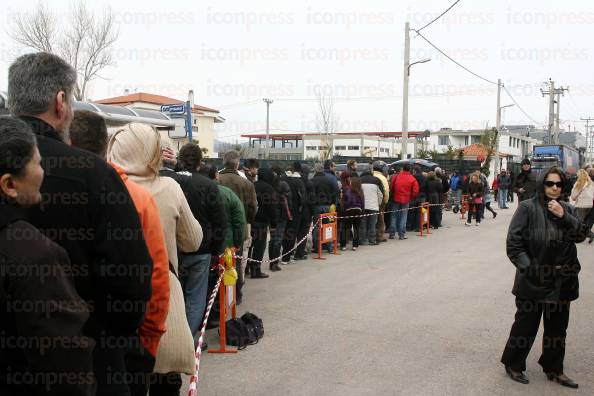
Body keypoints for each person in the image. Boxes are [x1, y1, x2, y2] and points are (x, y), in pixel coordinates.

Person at [9, 52, 153, 396]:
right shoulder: (93, 174)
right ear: (61, 102)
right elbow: (131, 277)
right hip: (88, 359)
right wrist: (108, 338)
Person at [70, 111, 170, 396]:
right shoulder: (136, 196)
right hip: (121, 338)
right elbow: (156, 276)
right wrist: (149, 340)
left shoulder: (45, 186)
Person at [0, 117, 95, 396]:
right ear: (9, 184)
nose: (44, 171)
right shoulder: (33, 255)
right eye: (38, 163)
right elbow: (64, 364)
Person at [107, 123, 202, 395]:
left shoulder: (101, 187)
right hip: (163, 297)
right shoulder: (169, 187)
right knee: (166, 379)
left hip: (115, 302)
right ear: (153, 152)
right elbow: (193, 239)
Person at [501, 166, 587, 388]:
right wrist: (530, 269)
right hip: (534, 280)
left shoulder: (567, 207)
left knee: (557, 329)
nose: (554, 188)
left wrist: (564, 215)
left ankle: (554, 368)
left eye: (558, 184)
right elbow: (514, 243)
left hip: (562, 281)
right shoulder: (528, 208)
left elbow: (580, 235)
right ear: (542, 184)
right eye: (550, 183)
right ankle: (513, 363)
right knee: (525, 326)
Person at [173, 144, 226, 343]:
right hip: (200, 250)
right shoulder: (208, 185)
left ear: (179, 158)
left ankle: (173, 339)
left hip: (172, 249)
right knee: (195, 298)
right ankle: (188, 340)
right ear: (199, 162)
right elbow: (219, 221)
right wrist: (216, 249)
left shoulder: (168, 181)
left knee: (174, 297)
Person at [199, 163, 245, 330]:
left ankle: (201, 317)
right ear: (216, 176)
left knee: (201, 283)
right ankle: (217, 314)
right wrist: (237, 243)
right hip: (225, 246)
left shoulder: (192, 191)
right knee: (223, 280)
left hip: (198, 246)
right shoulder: (227, 194)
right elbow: (239, 221)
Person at [219, 150, 257, 305]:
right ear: (237, 163)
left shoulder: (217, 179)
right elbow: (253, 207)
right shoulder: (246, 183)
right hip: (239, 226)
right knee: (237, 258)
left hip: (217, 226)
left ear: (223, 162)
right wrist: (248, 220)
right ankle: (237, 293)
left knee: (218, 261)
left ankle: (218, 295)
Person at [250, 168, 279, 278]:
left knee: (250, 245)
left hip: (251, 220)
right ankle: (255, 270)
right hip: (262, 222)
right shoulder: (269, 189)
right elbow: (272, 208)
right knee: (259, 246)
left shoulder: (252, 185)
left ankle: (247, 268)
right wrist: (273, 224)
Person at [281, 162, 306, 263]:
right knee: (292, 234)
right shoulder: (299, 182)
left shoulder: (283, 179)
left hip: (283, 211)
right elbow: (303, 199)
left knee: (284, 233)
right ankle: (286, 257)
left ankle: (284, 255)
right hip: (295, 212)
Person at [311, 163, 339, 252]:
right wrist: (333, 202)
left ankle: (317, 247)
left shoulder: (313, 180)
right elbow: (336, 191)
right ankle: (329, 247)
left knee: (317, 227)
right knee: (328, 226)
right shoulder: (329, 180)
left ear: (316, 170)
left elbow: (311, 195)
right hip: (328, 206)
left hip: (317, 206)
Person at [389, 163, 419, 240]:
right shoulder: (412, 179)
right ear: (410, 170)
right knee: (403, 216)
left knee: (394, 215)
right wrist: (411, 197)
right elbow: (415, 191)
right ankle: (401, 234)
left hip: (396, 198)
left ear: (403, 168)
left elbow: (391, 187)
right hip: (406, 199)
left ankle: (392, 233)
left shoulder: (396, 176)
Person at [268, 165, 291, 269]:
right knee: (278, 239)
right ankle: (274, 263)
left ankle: (271, 262)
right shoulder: (283, 184)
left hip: (271, 216)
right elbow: (288, 200)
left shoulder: (269, 185)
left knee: (273, 239)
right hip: (281, 216)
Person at [293, 163, 315, 261]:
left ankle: (289, 252)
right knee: (303, 233)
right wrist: (313, 212)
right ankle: (300, 253)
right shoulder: (309, 183)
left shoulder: (296, 181)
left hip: (296, 211)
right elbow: (312, 200)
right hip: (306, 213)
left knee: (294, 232)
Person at [339, 172, 364, 251]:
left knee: (346, 228)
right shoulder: (361, 191)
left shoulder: (347, 190)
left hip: (349, 210)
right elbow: (363, 202)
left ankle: (343, 245)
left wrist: (344, 208)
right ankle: (355, 245)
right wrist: (362, 210)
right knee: (356, 228)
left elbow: (346, 201)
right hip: (358, 210)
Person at [360, 164, 383, 245]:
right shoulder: (376, 180)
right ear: (371, 171)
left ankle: (362, 240)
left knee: (363, 224)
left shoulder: (360, 180)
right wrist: (378, 204)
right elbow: (380, 194)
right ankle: (372, 240)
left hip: (363, 206)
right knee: (372, 224)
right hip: (373, 206)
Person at [372, 161, 390, 242]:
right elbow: (386, 191)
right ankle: (380, 236)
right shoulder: (383, 178)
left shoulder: (371, 175)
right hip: (380, 201)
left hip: (369, 201)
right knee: (380, 219)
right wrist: (385, 201)